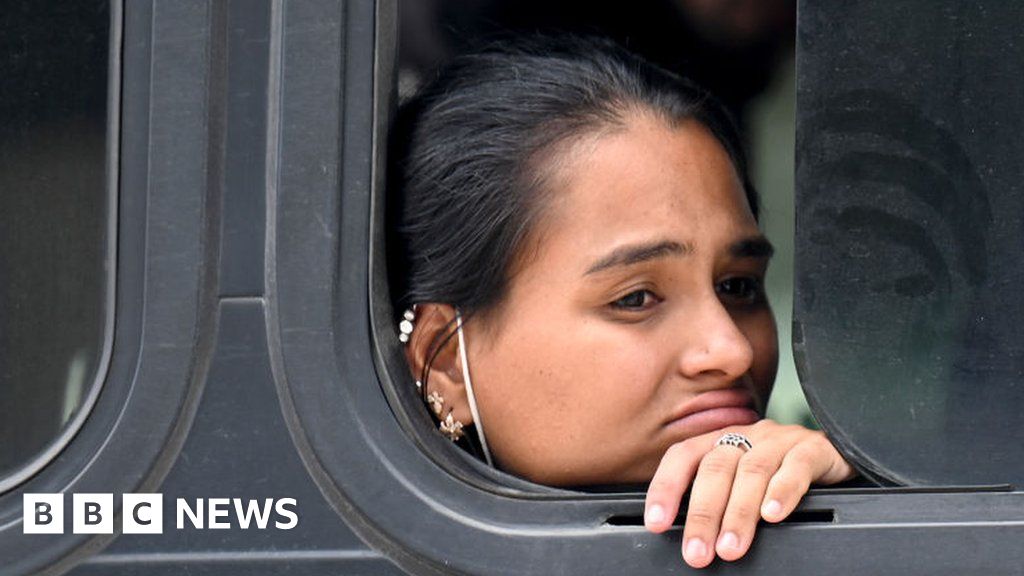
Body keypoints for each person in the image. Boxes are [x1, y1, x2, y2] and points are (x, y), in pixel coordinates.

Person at [387, 35, 855, 569]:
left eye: (738, 287)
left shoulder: (829, 507)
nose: (732, 351)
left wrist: (869, 499)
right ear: (446, 362)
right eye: (636, 298)